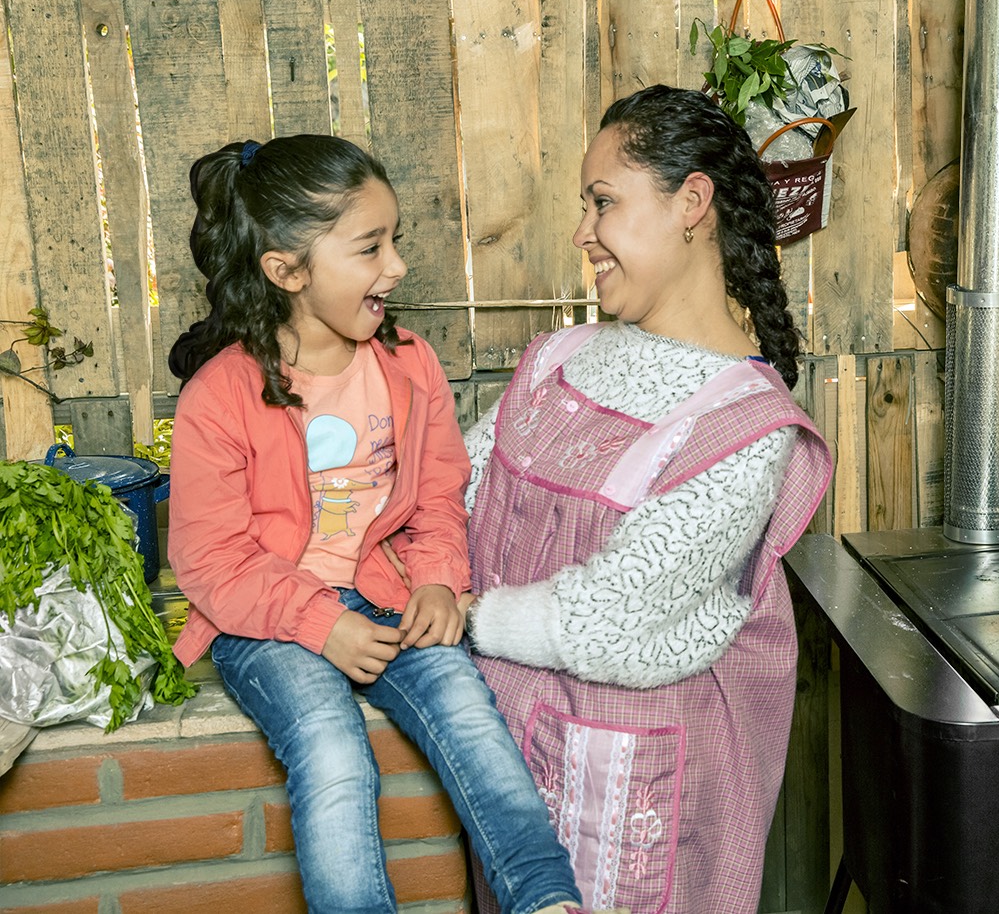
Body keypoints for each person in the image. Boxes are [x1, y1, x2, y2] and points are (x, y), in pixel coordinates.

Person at [165, 134, 624, 914]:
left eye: (395, 241)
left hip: (386, 597)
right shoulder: (221, 395)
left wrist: (443, 582)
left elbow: (441, 495)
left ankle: (547, 899)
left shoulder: (407, 365)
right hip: (267, 624)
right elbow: (211, 559)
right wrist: (320, 623)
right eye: (370, 247)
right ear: (287, 271)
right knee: (334, 750)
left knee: (472, 719)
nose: (398, 266)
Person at [460, 85, 834, 913]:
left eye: (603, 202)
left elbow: (611, 619)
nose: (580, 232)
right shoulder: (558, 358)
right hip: (503, 771)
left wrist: (458, 616)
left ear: (690, 203)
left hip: (624, 800)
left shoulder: (744, 426)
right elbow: (454, 489)